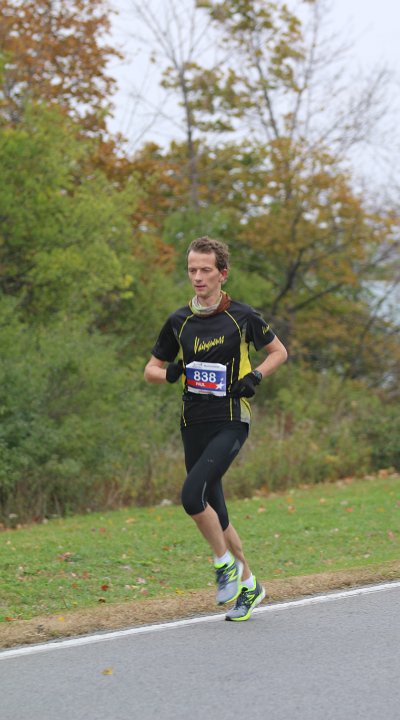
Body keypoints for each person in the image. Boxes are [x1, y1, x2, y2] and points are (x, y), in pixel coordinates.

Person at [144, 236, 288, 621]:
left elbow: (279, 352)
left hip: (230, 420)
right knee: (216, 510)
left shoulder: (242, 316)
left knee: (192, 496)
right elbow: (150, 370)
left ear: (222, 274)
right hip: (192, 422)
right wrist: (170, 372)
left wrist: (255, 376)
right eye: (192, 270)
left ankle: (224, 565)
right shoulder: (179, 321)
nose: (198, 277)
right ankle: (250, 584)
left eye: (205, 270)